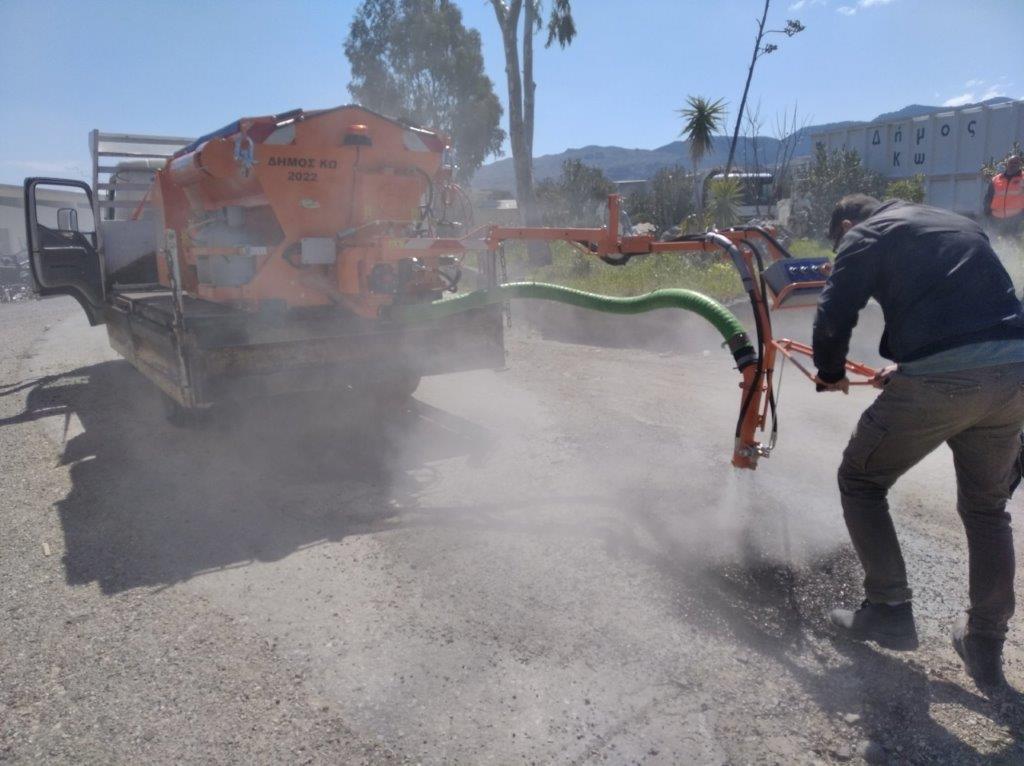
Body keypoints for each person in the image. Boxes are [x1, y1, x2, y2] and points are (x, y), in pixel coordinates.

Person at [814, 193, 1024, 689]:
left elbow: (835, 311)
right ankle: (985, 640)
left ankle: (888, 607)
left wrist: (829, 371)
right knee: (987, 510)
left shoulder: (865, 235)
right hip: (1016, 373)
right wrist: (908, 366)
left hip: (946, 382)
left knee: (861, 480)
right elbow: (965, 309)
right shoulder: (958, 220)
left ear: (846, 223)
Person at [984, 154, 1024, 232]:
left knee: (1015, 242)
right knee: (996, 242)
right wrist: (987, 213)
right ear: (1006, 164)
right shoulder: (996, 179)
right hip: (996, 220)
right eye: (1011, 162)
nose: (1013, 165)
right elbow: (988, 197)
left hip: (1016, 220)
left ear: (1019, 165)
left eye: (1016, 163)